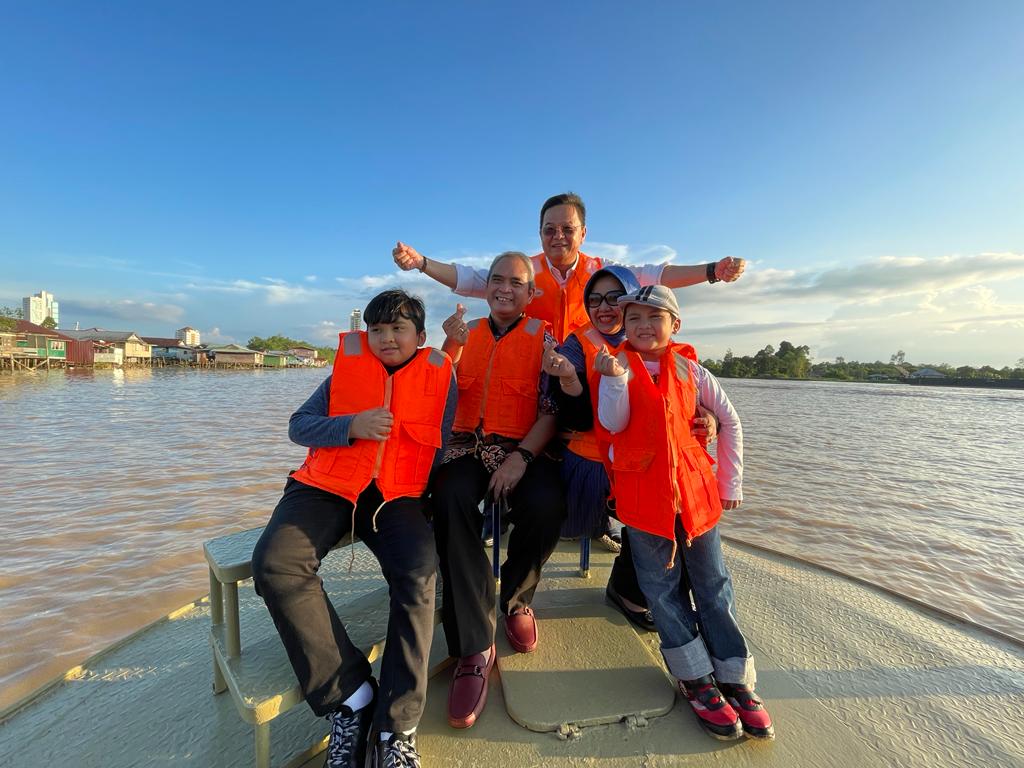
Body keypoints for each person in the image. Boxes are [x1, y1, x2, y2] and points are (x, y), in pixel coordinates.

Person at [251, 290, 457, 768]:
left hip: (396, 496)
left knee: (419, 576)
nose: (386, 338)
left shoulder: (440, 377)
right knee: (276, 565)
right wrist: (351, 426)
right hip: (327, 486)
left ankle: (397, 726)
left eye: (398, 329)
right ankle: (352, 696)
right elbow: (299, 426)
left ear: (420, 337)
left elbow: (442, 444)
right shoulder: (344, 372)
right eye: (378, 330)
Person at [595, 285, 774, 741]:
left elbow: (729, 419)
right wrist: (613, 379)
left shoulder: (693, 370)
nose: (642, 326)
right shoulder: (616, 369)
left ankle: (734, 676)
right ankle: (694, 677)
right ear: (623, 325)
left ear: (675, 326)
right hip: (644, 505)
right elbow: (613, 424)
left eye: (655, 317)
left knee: (714, 584)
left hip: (696, 498)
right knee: (662, 590)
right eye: (633, 318)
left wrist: (730, 482)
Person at [431, 251, 566, 730]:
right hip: (466, 445)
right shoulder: (462, 336)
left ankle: (516, 600)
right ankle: (473, 644)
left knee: (548, 503)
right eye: (496, 280)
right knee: (448, 499)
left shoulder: (547, 338)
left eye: (516, 282)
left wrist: (521, 457)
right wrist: (449, 349)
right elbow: (432, 392)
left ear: (531, 294)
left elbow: (551, 411)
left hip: (522, 447)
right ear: (484, 287)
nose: (504, 288)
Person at [544, 267, 719, 633]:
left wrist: (707, 419)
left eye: (613, 298)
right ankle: (630, 590)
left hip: (650, 461)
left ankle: (663, 590)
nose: (604, 307)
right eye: (594, 300)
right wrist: (570, 379)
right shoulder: (577, 346)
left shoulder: (657, 347)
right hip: (593, 454)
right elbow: (577, 418)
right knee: (650, 502)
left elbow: (684, 402)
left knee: (680, 503)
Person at [392, 191, 745, 343]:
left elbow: (655, 276)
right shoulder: (522, 271)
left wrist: (712, 270)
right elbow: (470, 279)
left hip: (586, 369)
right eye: (549, 229)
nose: (557, 236)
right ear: (540, 233)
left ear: (583, 233)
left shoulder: (604, 271)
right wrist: (421, 263)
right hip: (534, 368)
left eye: (567, 229)